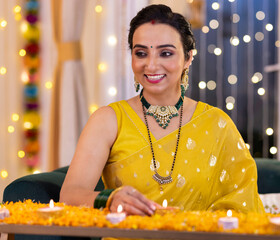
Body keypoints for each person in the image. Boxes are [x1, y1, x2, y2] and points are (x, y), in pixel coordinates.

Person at [60, 4, 264, 216]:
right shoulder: (109, 120)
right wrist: (110, 199)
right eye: (141, 53)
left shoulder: (216, 124)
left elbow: (243, 205)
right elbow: (71, 195)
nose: (151, 65)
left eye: (165, 53)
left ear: (188, 58)